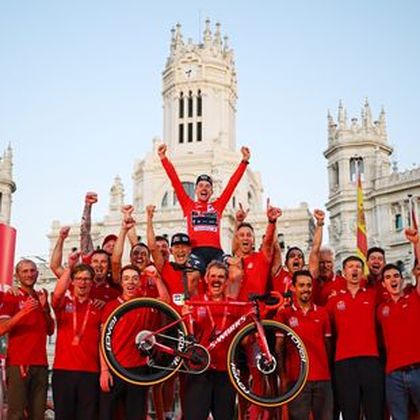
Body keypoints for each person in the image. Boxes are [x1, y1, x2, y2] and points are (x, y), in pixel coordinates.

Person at [158, 143, 251, 267]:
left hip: (217, 252)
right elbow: (175, 180)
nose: (204, 188)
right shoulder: (188, 204)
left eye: (207, 186)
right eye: (201, 186)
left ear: (212, 191)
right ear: (196, 190)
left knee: (236, 266)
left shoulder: (218, 205)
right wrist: (163, 158)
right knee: (193, 274)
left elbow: (232, 184)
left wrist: (244, 161)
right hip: (196, 252)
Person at [99, 264, 169, 420]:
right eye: (126, 279)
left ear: (140, 282)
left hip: (138, 371)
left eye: (134, 279)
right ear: (121, 283)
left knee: (136, 415)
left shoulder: (145, 303)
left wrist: (156, 278)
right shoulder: (111, 306)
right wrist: (104, 370)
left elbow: (165, 301)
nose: (130, 282)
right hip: (114, 368)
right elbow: (102, 340)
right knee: (106, 415)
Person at [327, 256, 384, 420]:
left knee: (374, 411)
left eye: (358, 266)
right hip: (344, 362)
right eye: (350, 266)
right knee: (349, 412)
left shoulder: (373, 296)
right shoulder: (334, 300)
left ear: (362, 271)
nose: (354, 269)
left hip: (371, 360)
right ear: (344, 272)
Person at [183, 261, 241, 420]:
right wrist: (184, 316)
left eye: (221, 277)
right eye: (213, 276)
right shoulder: (194, 302)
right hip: (201, 370)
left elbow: (244, 340)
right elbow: (187, 336)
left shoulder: (235, 305)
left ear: (227, 281)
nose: (217, 280)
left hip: (225, 372)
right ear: (206, 279)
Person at [0, 259, 54, 420]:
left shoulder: (41, 296)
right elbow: (2, 328)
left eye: (32, 271)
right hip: (19, 363)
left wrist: (45, 309)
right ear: (17, 275)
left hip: (41, 364)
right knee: (16, 413)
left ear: (37, 273)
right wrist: (23, 312)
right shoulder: (11, 296)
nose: (29, 274)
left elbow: (50, 330)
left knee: (38, 414)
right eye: (25, 271)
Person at [51, 253, 102, 420]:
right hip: (63, 370)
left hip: (90, 372)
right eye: (79, 278)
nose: (83, 282)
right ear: (72, 282)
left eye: (87, 279)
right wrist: (69, 267)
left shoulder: (98, 307)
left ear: (92, 283)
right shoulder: (64, 303)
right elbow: (57, 294)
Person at [276, 270, 333, 420]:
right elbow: (279, 347)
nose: (306, 289)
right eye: (301, 285)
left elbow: (328, 344)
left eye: (308, 285)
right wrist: (283, 375)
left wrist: (325, 367)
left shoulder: (322, 313)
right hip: (297, 380)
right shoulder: (284, 315)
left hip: (322, 378)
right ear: (293, 288)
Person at [376, 228, 420, 420]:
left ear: (402, 280)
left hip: (418, 369)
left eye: (396, 276)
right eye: (388, 278)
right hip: (393, 374)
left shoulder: (414, 298)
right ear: (383, 284)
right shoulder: (381, 310)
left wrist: (417, 243)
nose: (392, 280)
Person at [233, 200, 282, 301]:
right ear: (237, 239)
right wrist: (238, 222)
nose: (245, 238)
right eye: (242, 235)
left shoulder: (261, 258)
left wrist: (271, 222)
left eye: (249, 235)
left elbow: (268, 243)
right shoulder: (232, 262)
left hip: (257, 312)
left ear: (253, 240)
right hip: (236, 313)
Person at [271, 210, 325, 297]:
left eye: (300, 257)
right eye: (292, 256)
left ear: (303, 263)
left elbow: (315, 249)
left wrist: (319, 223)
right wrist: (272, 222)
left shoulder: (309, 277)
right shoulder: (279, 275)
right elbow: (276, 248)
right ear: (286, 263)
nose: (296, 258)